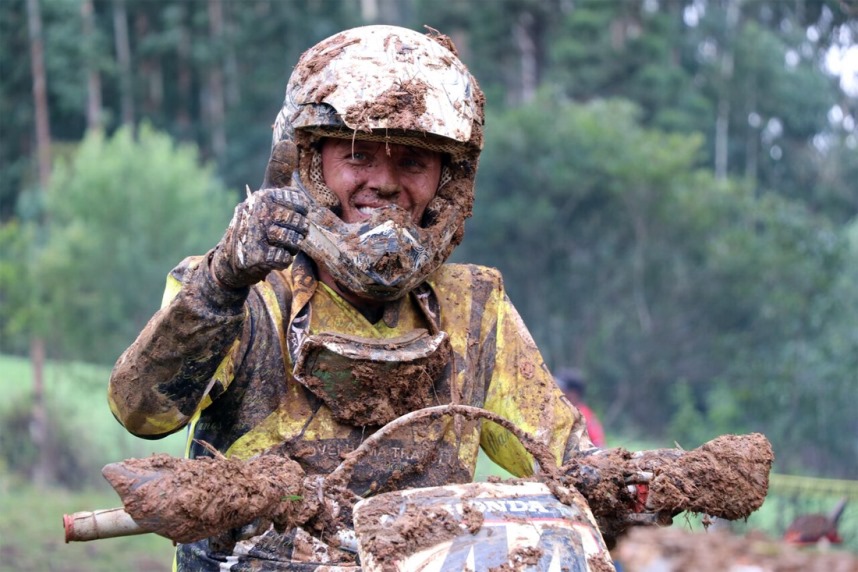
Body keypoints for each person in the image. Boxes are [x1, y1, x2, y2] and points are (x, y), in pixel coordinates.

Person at [107, 25, 619, 570]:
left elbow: (562, 459)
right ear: (309, 162)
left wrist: (640, 484)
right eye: (358, 156)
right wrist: (221, 283)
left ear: (449, 181)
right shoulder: (245, 292)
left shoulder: (473, 307)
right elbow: (141, 411)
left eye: (413, 162)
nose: (385, 182)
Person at [555, 368, 606, 447]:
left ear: (574, 393)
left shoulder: (584, 415)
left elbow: (599, 444)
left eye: (561, 389)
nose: (556, 391)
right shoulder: (557, 411)